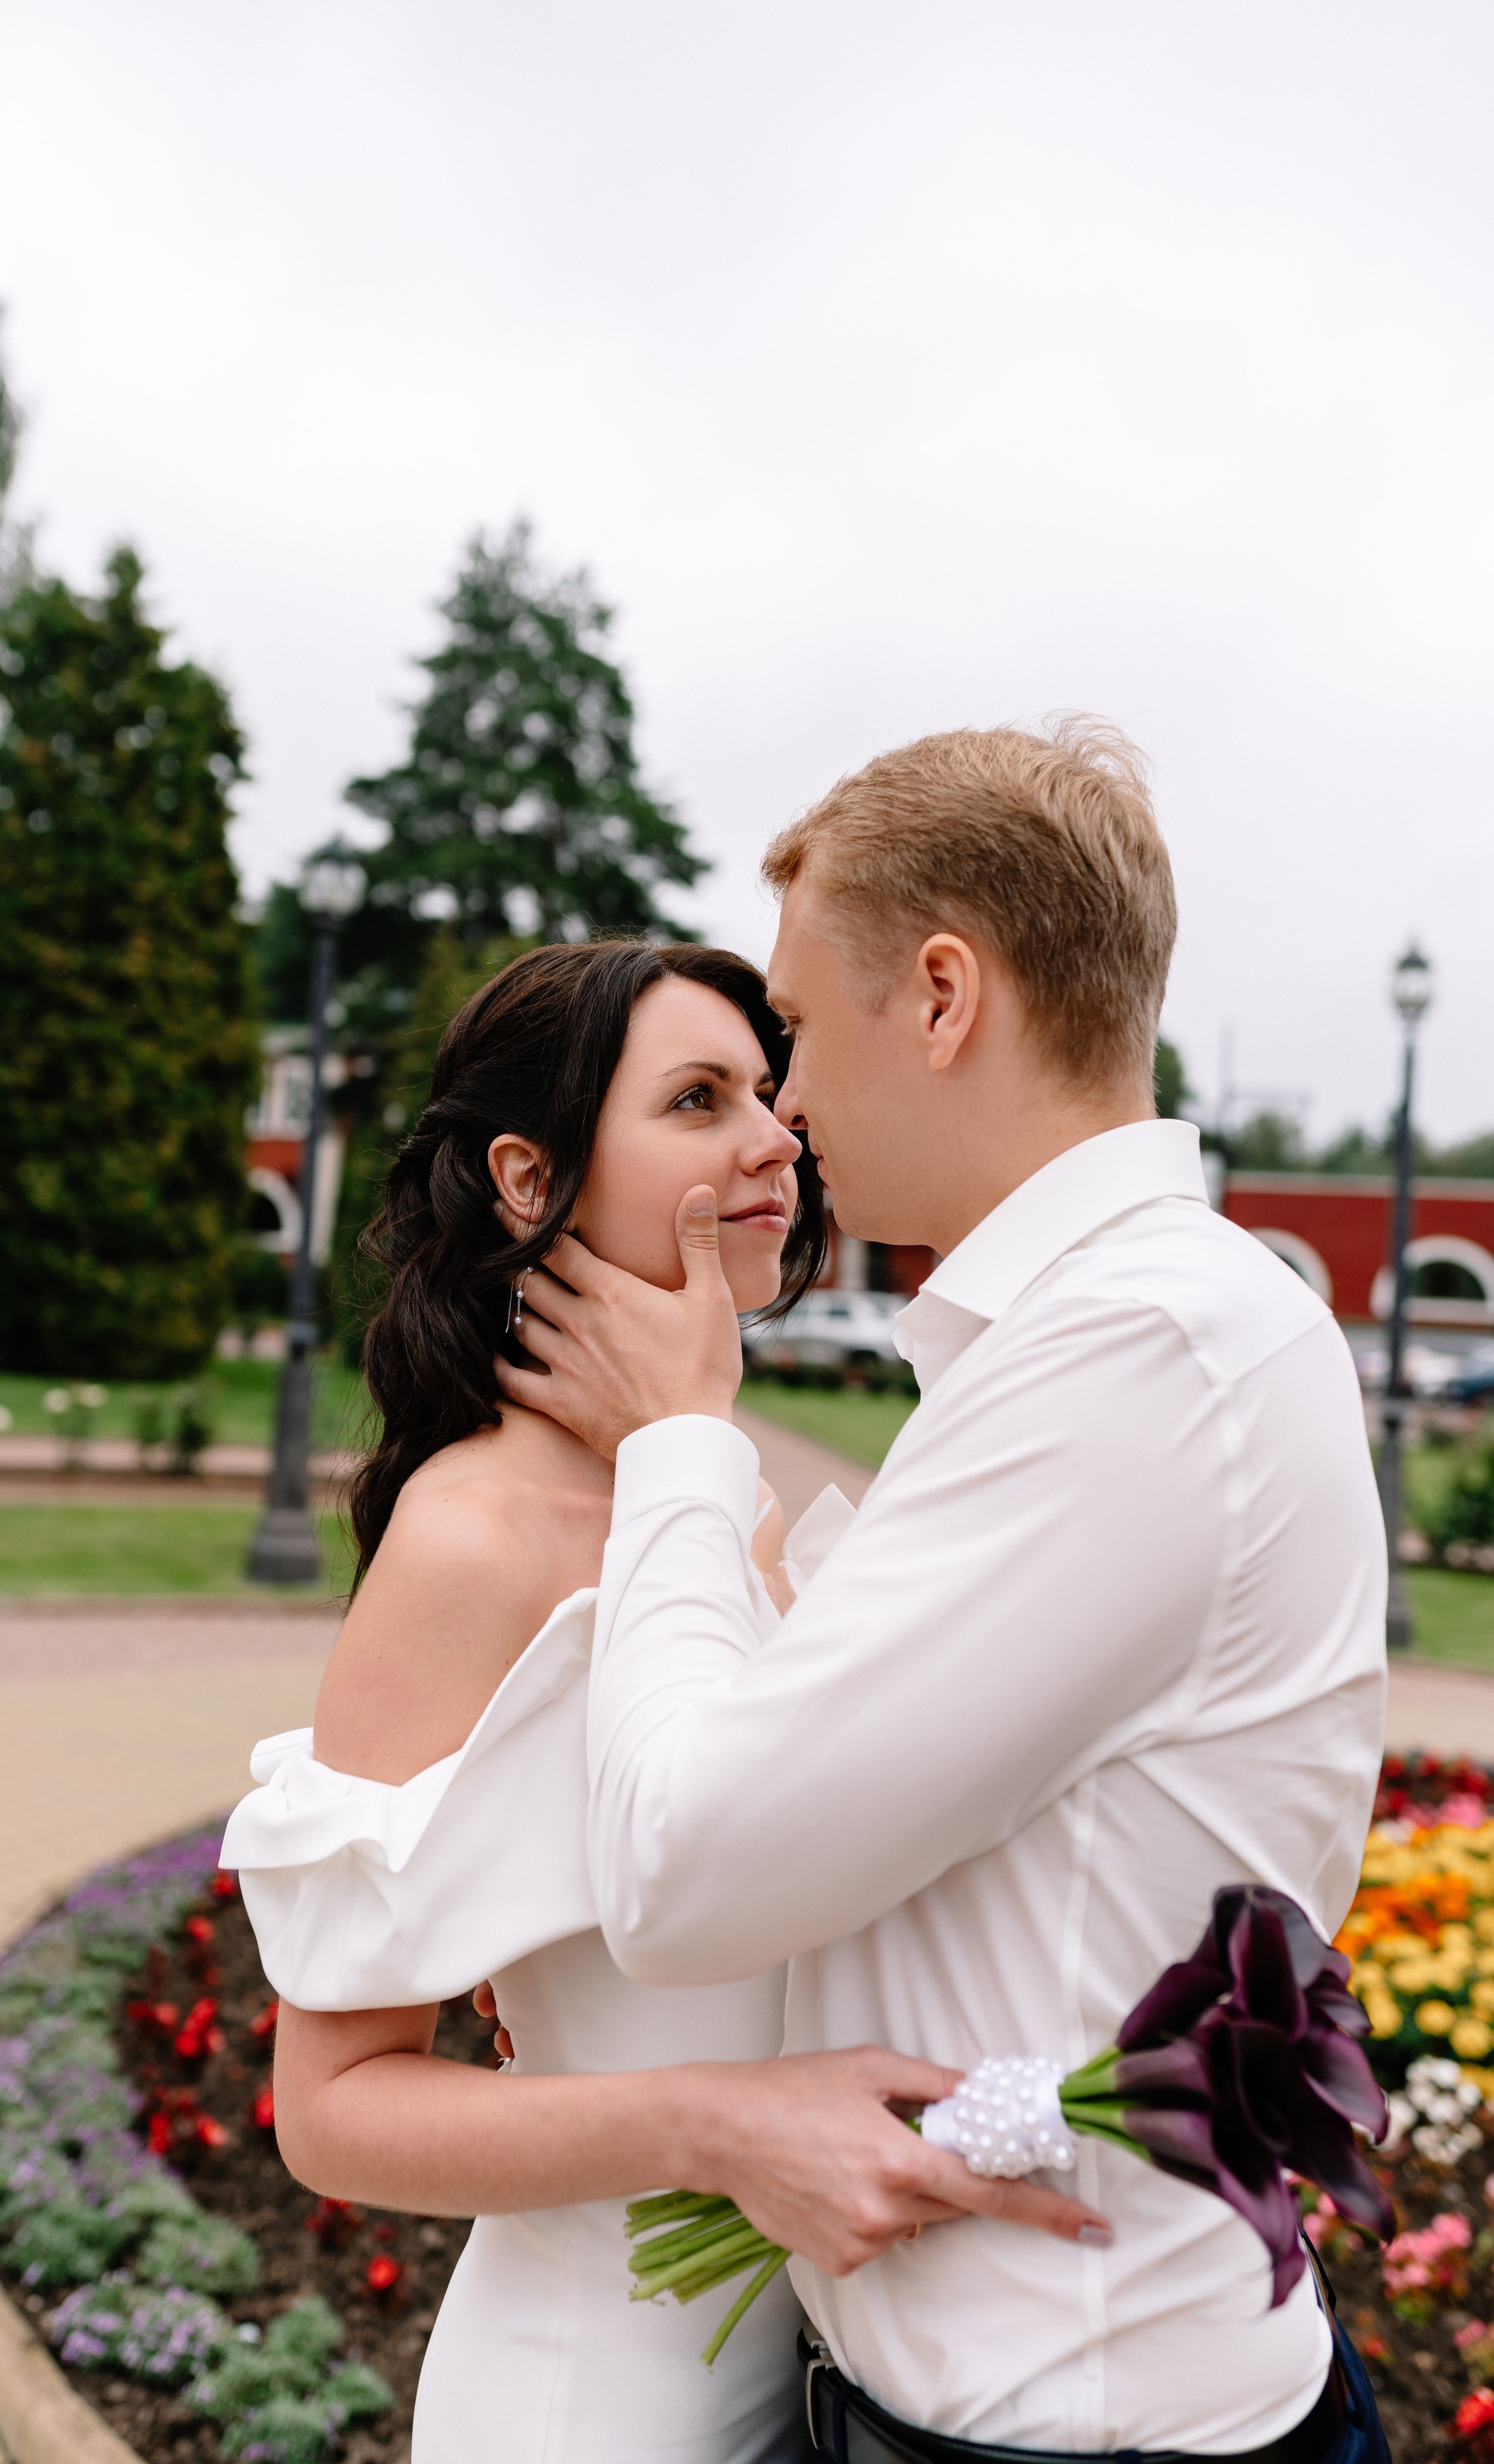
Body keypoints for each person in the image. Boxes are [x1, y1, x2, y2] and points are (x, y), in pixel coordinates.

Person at [496, 724, 1391, 2464]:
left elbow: (687, 1866)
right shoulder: (1108, 1331)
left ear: (944, 994)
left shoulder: (1144, 1346)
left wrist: (684, 1446)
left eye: (803, 1030)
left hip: (1075, 2431)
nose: (794, 1103)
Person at [220, 939, 1107, 2464]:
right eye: (697, 1100)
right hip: (587, 2400)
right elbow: (333, 2102)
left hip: (815, 2385)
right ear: (525, 1176)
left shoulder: (725, 1502)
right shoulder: (470, 1535)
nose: (774, 1137)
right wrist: (726, 2124)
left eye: (765, 1093)